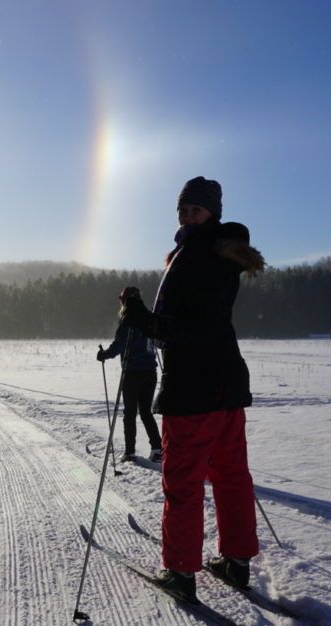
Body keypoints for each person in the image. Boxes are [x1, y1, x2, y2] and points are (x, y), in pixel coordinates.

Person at [132, 176, 266, 603]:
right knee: (230, 475)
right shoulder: (222, 254)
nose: (188, 215)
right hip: (227, 383)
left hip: (192, 385)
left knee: (184, 481)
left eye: (196, 209)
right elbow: (205, 319)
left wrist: (142, 318)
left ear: (214, 213)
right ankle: (237, 561)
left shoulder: (197, 255)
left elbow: (189, 325)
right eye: (183, 210)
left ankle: (180, 571)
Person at [96, 287, 162, 463]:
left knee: (130, 413)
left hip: (132, 373)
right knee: (146, 412)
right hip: (150, 372)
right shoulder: (149, 317)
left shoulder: (128, 319)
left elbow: (119, 345)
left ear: (125, 301)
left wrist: (104, 355)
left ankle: (130, 452)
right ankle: (157, 449)